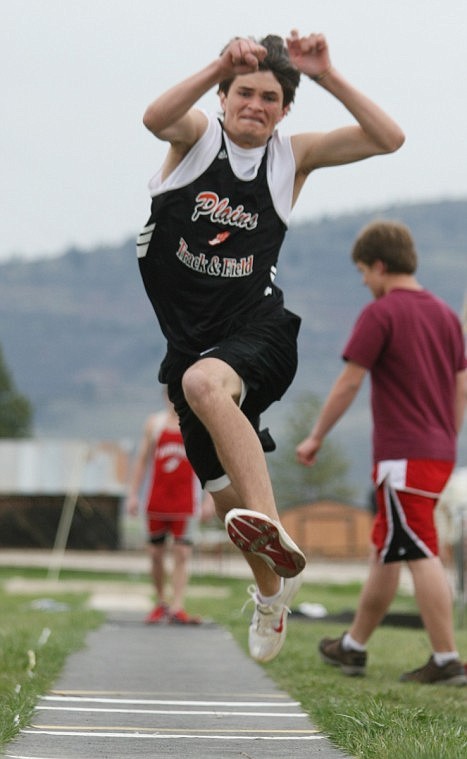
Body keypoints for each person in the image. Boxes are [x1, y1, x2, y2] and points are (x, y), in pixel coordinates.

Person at [136, 30, 404, 662]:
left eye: (271, 98)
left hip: (260, 333)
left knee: (207, 384)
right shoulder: (197, 138)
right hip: (190, 350)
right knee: (227, 502)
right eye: (245, 93)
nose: (256, 105)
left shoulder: (292, 157)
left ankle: (274, 529)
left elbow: (389, 138)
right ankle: (271, 591)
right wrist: (214, 65)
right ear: (226, 98)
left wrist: (329, 74)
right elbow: (155, 117)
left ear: (285, 110)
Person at [296, 220, 467, 685]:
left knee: (418, 549)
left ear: (379, 265)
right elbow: (462, 385)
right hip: (437, 451)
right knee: (386, 551)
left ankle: (448, 658)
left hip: (403, 456)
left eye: (362, 273)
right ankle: (352, 647)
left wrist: (315, 436)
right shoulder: (446, 316)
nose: (364, 283)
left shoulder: (383, 313)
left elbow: (350, 380)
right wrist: (446, 437)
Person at [127, 392, 214, 624]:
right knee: (155, 554)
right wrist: (133, 494)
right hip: (156, 500)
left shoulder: (197, 423)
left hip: (185, 502)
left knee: (182, 553)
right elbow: (142, 460)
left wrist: (209, 500)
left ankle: (178, 605)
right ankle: (161, 601)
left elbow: (210, 462)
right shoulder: (154, 424)